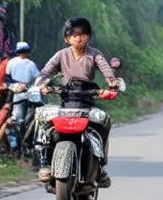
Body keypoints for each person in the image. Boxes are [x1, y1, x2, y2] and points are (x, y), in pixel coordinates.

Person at [30, 18, 119, 188]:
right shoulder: (61, 55)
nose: (79, 38)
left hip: (88, 99)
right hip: (66, 100)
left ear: (89, 37)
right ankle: (44, 163)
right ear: (67, 38)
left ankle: (100, 167)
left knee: (104, 121)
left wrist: (112, 84)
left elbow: (107, 70)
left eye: (83, 34)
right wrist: (39, 84)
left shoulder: (95, 54)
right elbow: (46, 71)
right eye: (74, 34)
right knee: (42, 119)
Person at [4, 42, 40, 148]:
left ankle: (14, 145)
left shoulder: (11, 62)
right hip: (29, 95)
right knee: (27, 121)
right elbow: (38, 78)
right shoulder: (30, 64)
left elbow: (7, 78)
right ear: (27, 52)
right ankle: (26, 144)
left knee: (16, 121)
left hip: (15, 94)